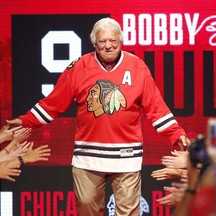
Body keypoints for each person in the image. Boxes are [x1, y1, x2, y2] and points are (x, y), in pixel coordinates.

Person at [6, 17, 190, 216]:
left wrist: (176, 134)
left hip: (126, 157)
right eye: (103, 42)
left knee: (128, 213)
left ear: (120, 41)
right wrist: (26, 120)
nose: (109, 46)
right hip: (88, 158)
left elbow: (157, 107)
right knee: (86, 207)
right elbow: (54, 102)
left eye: (113, 41)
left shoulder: (137, 67)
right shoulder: (79, 67)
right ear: (95, 43)